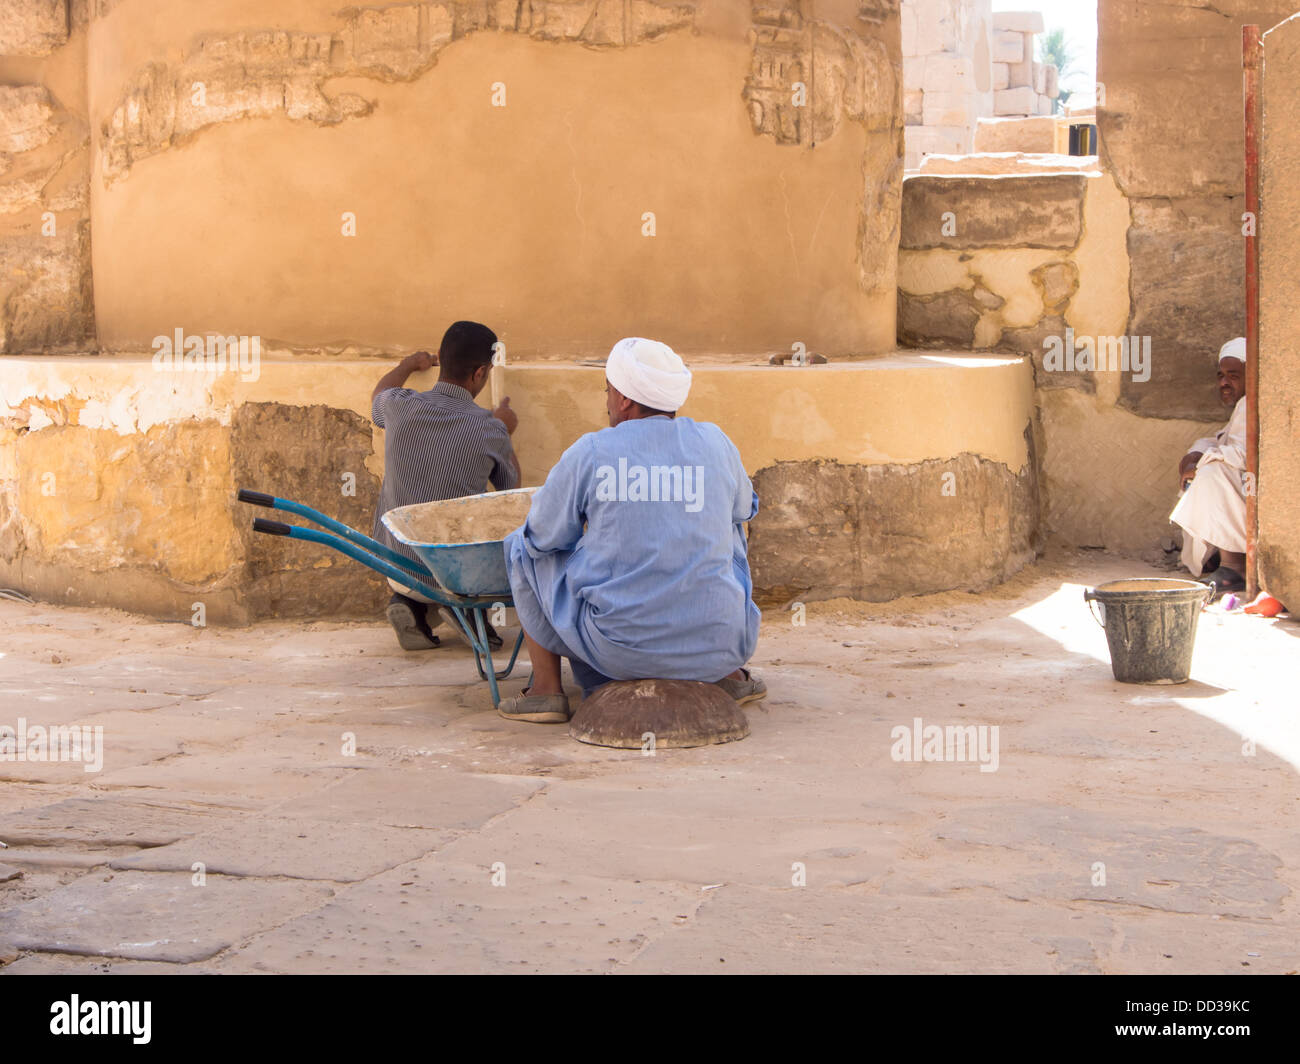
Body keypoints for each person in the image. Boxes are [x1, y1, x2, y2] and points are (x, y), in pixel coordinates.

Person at [499, 337, 764, 724]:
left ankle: (545, 691)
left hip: (619, 650)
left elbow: (542, 534)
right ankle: (729, 674)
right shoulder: (716, 442)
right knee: (735, 524)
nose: (606, 401)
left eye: (607, 391)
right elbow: (745, 508)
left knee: (521, 547)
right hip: (724, 644)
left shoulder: (591, 450)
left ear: (624, 399)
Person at [372, 321, 520, 649]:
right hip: (458, 572)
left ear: (441, 356)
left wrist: (407, 365)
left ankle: (407, 602)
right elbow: (510, 493)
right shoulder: (488, 428)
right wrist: (504, 430)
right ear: (481, 373)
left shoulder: (399, 405)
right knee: (480, 532)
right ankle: (461, 607)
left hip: (396, 564)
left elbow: (377, 396)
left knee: (406, 525)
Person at [1170, 336, 1248, 593]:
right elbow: (1221, 439)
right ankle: (1215, 552)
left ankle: (1234, 566)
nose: (1224, 382)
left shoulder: (1252, 405)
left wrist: (1201, 462)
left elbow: (1242, 454)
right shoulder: (1242, 407)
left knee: (1213, 473)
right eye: (1221, 375)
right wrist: (1194, 455)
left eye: (1233, 375)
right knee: (1202, 470)